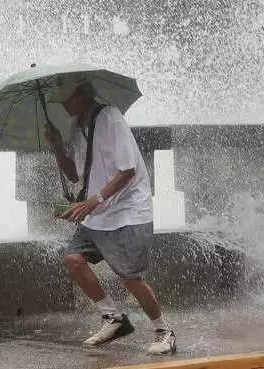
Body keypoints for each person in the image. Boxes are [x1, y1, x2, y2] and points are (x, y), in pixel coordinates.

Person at [44, 75, 177, 355]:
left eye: (68, 99)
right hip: (97, 212)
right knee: (73, 259)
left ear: (82, 94)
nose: (65, 105)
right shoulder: (74, 127)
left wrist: (95, 199)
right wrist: (56, 144)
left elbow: (127, 169)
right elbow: (75, 174)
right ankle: (113, 317)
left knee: (130, 278)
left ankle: (164, 330)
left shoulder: (111, 118)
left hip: (128, 211)